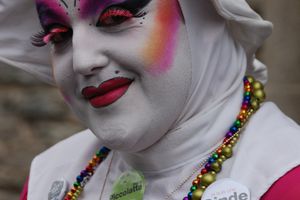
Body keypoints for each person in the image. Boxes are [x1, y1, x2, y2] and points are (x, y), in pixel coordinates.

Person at [0, 0, 300, 199]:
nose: (82, 60)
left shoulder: (284, 178)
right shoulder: (52, 176)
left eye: (115, 18)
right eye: (59, 35)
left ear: (205, 18)